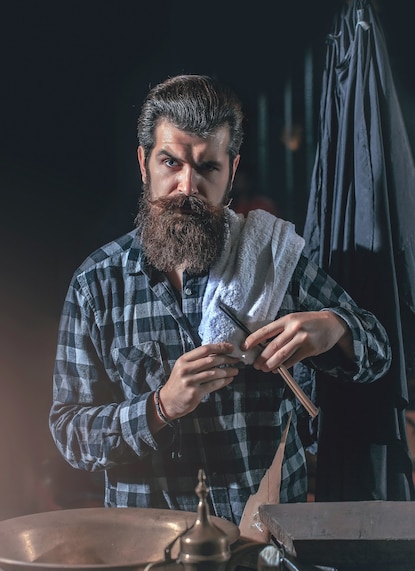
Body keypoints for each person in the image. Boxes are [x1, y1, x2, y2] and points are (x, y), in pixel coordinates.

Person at [49, 74, 391, 524]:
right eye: (171, 162)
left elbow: (379, 353)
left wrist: (334, 328)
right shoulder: (97, 285)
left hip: (264, 546)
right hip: (149, 554)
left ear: (231, 171)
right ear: (143, 162)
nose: (187, 186)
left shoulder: (272, 259)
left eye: (208, 167)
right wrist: (161, 406)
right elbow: (70, 434)